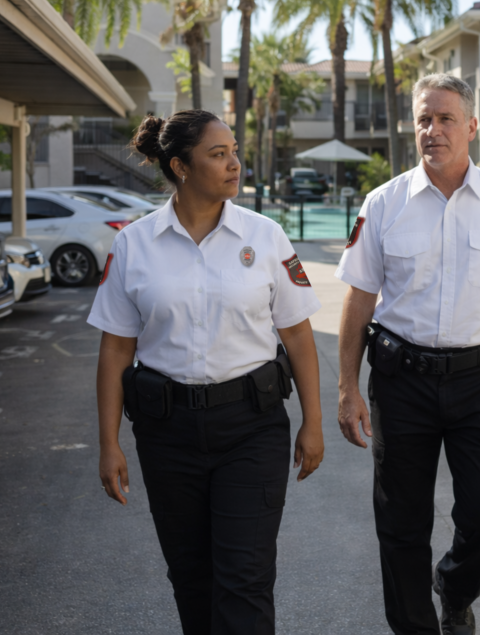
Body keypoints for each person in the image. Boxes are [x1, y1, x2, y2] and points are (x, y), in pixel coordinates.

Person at [90, 110, 324, 635]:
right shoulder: (134, 244)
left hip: (251, 427)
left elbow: (298, 334)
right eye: (218, 155)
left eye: (234, 150)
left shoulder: (265, 238)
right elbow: (115, 350)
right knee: (192, 578)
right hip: (167, 433)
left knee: (245, 577)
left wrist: (314, 421)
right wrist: (109, 443)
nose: (234, 164)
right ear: (180, 166)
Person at [334, 74, 480, 635]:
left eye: (446, 118)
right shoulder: (384, 204)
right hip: (402, 382)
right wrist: (347, 388)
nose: (433, 130)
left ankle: (454, 586)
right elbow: (358, 301)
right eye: (424, 119)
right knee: (401, 526)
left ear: (472, 126)